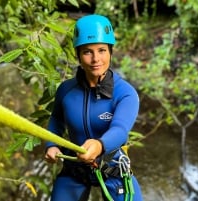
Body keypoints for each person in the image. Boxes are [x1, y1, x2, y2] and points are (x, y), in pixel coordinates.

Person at [44, 14, 143, 201]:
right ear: (78, 55)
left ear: (110, 52)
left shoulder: (125, 94)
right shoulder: (66, 90)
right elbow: (56, 119)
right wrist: (52, 144)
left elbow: (120, 129)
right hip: (75, 170)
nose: (96, 59)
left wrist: (99, 145)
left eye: (102, 50)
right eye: (88, 51)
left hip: (113, 170)